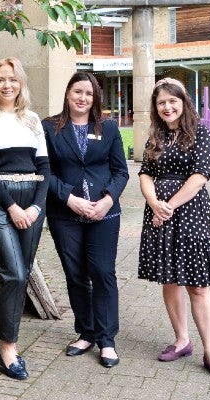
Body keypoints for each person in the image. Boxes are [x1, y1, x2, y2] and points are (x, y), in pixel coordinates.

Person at [137, 78, 210, 380]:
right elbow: (145, 173)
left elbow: (200, 176)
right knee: (170, 280)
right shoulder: (156, 136)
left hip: (189, 213)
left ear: (183, 102)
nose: (167, 107)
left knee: (198, 285)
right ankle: (182, 341)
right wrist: (154, 202)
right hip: (159, 214)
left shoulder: (200, 133)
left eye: (172, 101)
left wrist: (168, 205)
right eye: (161, 102)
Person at [0, 57, 49, 381]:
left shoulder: (32, 120)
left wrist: (36, 208)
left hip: (32, 202)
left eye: (13, 79)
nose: (7, 85)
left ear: (21, 84)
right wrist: (12, 207)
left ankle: (11, 342)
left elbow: (45, 168)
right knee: (13, 274)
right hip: (0, 202)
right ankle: (7, 348)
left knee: (23, 272)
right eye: (1, 79)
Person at [41, 72, 129, 368]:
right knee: (76, 274)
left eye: (88, 94)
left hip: (104, 213)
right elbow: (45, 171)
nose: (82, 98)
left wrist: (107, 201)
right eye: (77, 92)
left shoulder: (109, 128)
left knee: (103, 272)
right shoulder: (50, 128)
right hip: (65, 213)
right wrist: (69, 198)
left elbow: (121, 172)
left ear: (95, 99)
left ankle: (107, 340)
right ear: (68, 94)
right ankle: (86, 332)